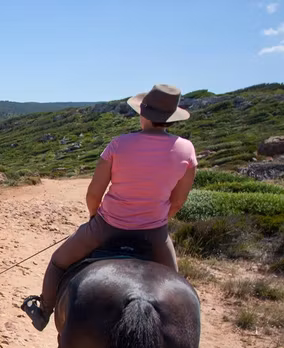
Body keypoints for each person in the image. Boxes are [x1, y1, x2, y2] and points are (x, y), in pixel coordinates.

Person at [22, 84, 198, 331]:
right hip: (154, 233)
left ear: (143, 114)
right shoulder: (187, 149)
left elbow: (94, 193)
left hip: (108, 225)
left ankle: (43, 312)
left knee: (59, 262)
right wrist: (157, 219)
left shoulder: (119, 144)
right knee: (176, 287)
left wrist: (95, 217)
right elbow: (178, 201)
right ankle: (180, 329)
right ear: (170, 118)